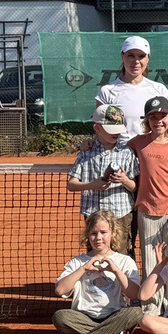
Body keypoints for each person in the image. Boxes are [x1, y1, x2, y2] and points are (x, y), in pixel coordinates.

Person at [127, 96, 168, 317]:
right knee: (150, 264)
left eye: (162, 117)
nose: (158, 121)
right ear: (147, 121)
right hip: (146, 212)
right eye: (153, 117)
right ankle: (151, 310)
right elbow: (113, 145)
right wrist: (88, 143)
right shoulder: (137, 143)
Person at [50, 210, 143, 334]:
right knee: (60, 317)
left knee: (135, 313)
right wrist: (83, 269)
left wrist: (116, 271)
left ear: (113, 233)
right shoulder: (78, 261)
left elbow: (134, 294)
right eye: (93, 233)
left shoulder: (124, 261)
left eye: (103, 232)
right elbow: (60, 290)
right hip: (83, 317)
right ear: (88, 235)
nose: (98, 238)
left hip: (114, 315)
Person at [66, 104, 139, 255]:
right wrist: (93, 185)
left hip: (120, 214)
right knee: (96, 256)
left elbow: (134, 187)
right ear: (97, 128)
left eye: (118, 129)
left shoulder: (126, 152)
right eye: (111, 129)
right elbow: (71, 184)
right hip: (93, 215)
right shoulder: (86, 152)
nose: (116, 134)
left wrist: (124, 180)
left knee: (122, 255)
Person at [95, 35, 168, 144]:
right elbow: (101, 131)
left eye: (141, 56)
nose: (136, 61)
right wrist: (90, 143)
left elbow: (166, 128)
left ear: (148, 59)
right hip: (119, 152)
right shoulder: (107, 92)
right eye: (131, 56)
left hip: (151, 152)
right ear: (122, 56)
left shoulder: (159, 90)